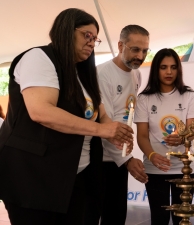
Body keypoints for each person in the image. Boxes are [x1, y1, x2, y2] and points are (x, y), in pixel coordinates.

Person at [0, 8, 133, 225]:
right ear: (65, 30)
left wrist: (117, 132)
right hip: (33, 175)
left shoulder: (82, 73)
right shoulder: (39, 58)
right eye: (86, 35)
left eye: (95, 39)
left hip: (75, 175)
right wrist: (101, 130)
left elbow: (102, 116)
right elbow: (41, 111)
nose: (91, 42)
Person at [85, 25, 149, 225]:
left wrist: (128, 155)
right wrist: (128, 160)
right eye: (135, 49)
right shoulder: (102, 74)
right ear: (120, 45)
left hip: (120, 158)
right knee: (95, 216)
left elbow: (127, 117)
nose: (140, 55)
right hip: (99, 160)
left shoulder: (136, 74)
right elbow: (106, 126)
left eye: (145, 51)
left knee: (117, 215)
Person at [134, 48, 194, 225]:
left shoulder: (189, 95)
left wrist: (182, 138)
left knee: (182, 219)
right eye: (163, 67)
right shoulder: (144, 99)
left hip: (184, 169)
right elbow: (142, 136)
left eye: (173, 67)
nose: (169, 72)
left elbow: (193, 131)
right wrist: (152, 156)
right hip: (155, 168)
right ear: (156, 69)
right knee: (159, 218)